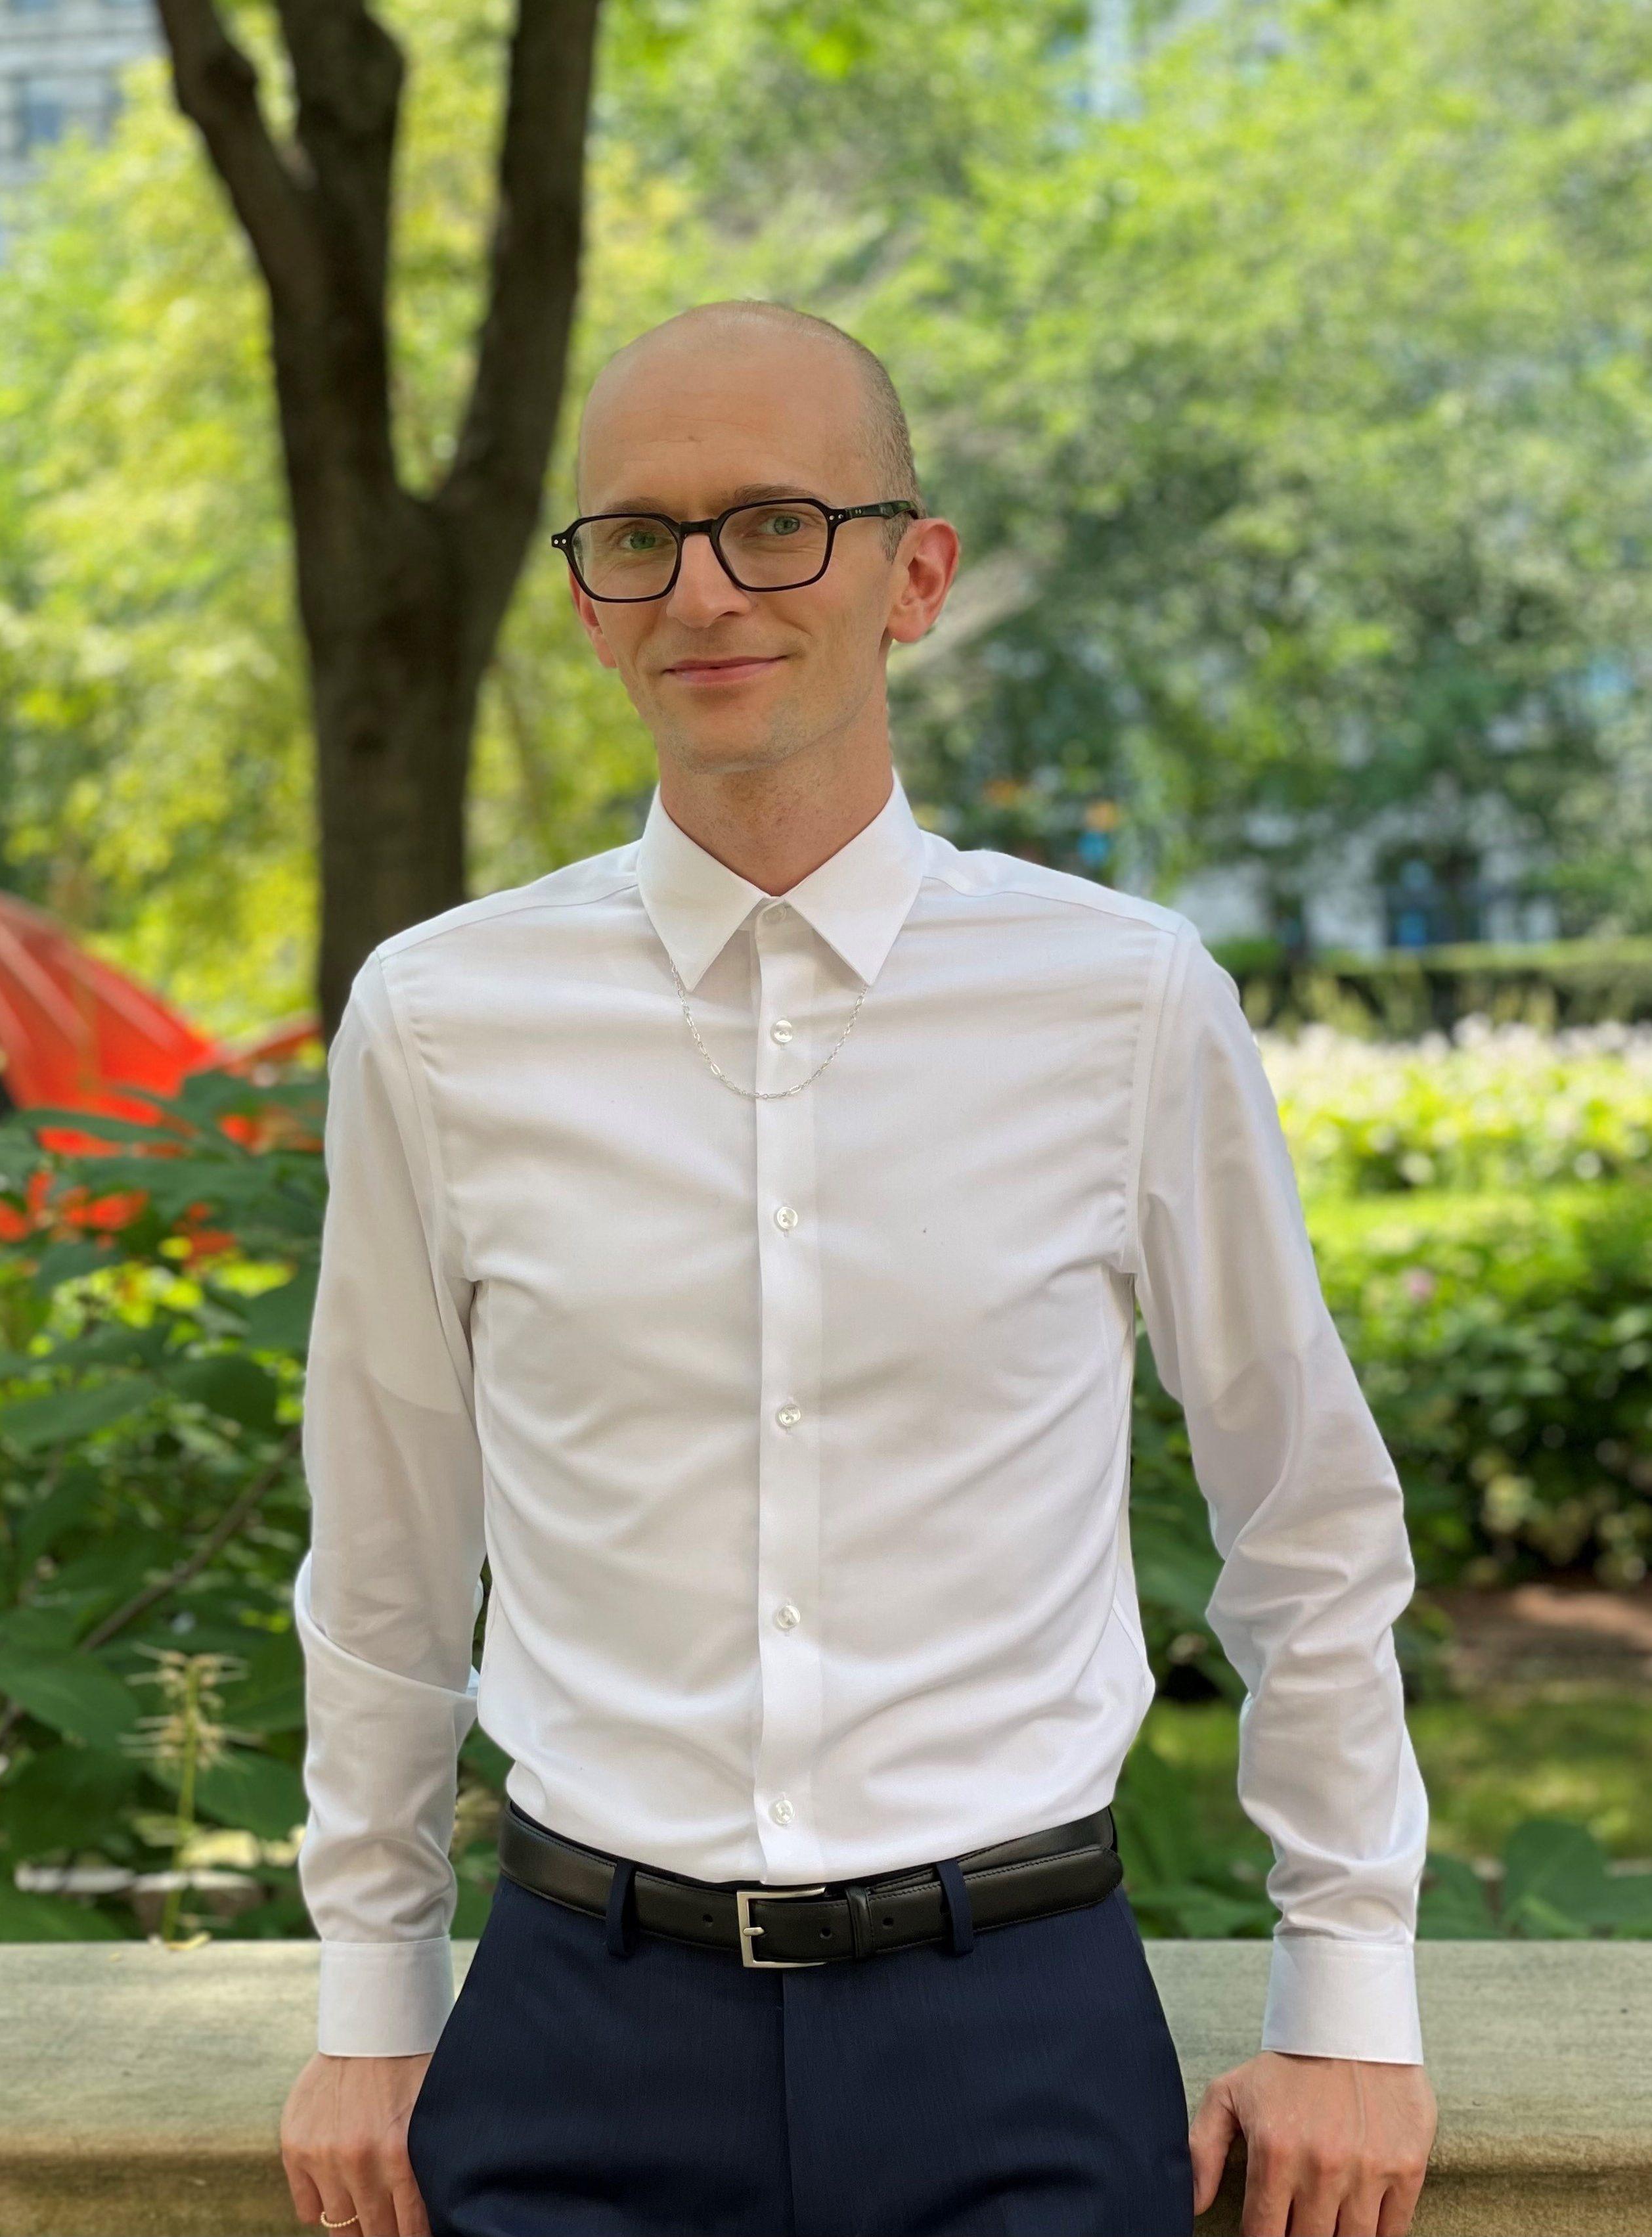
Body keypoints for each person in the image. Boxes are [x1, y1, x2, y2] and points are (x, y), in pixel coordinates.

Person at [278, 298, 1439, 2237]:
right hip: (574, 2035)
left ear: (913, 574)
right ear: (586, 600)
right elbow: (386, 1556)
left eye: (775, 520)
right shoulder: (439, 1021)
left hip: (1018, 2027)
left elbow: (1304, 1517)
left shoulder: (1123, 1001)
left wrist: (1349, 1997)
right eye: (636, 536)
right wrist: (370, 1994)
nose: (702, 586)